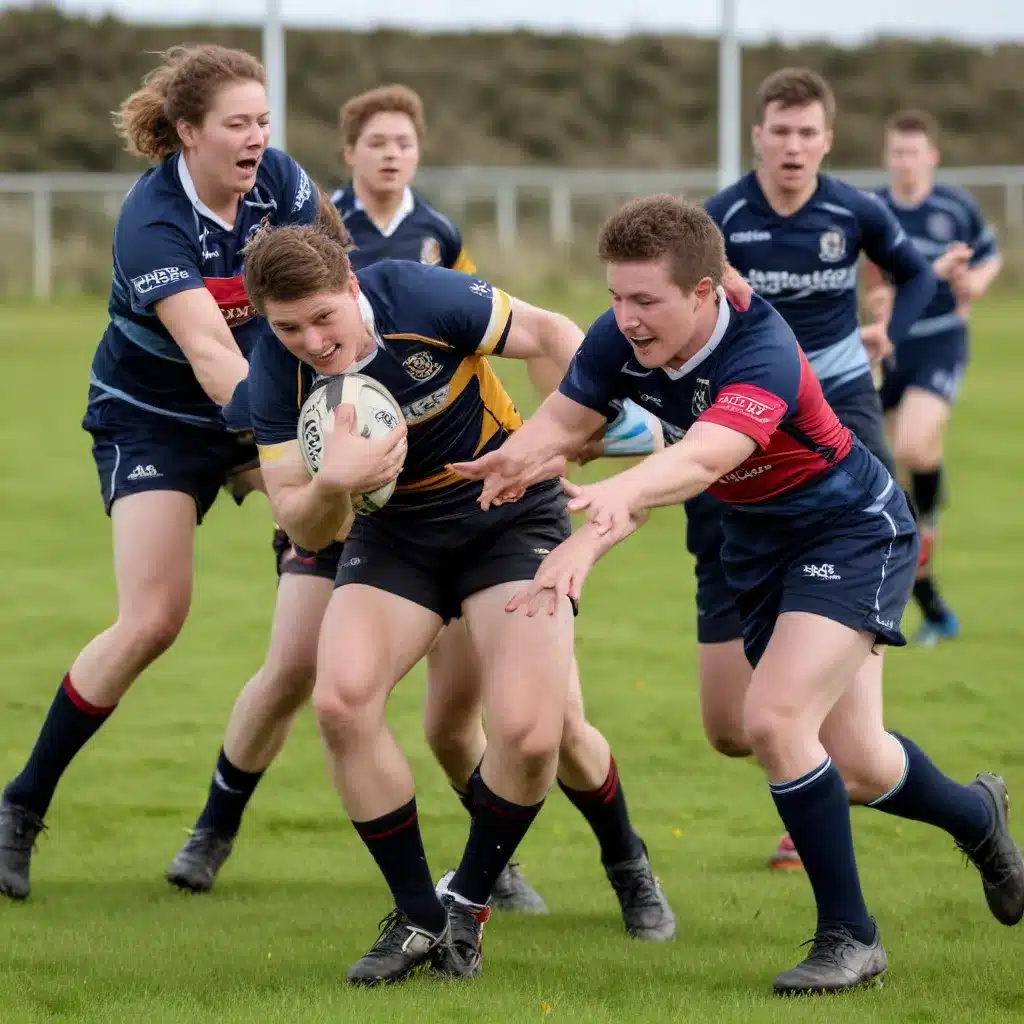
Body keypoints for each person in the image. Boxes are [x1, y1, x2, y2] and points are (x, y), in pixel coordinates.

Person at [453, 194, 1024, 995]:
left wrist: (615, 501)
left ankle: (851, 938)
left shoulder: (762, 350)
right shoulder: (623, 336)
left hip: (849, 534)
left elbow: (703, 458)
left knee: (776, 720)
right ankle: (977, 817)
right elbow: (562, 418)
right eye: (616, 297)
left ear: (703, 291)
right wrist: (513, 459)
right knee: (855, 762)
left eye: (645, 300)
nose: (626, 318)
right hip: (755, 548)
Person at [169, 86, 675, 940]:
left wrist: (558, 437)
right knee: (346, 705)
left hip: (503, 514)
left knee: (546, 729)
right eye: (288, 329)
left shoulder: (421, 294)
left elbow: (555, 334)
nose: (312, 342)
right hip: (396, 535)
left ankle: (627, 862)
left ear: (350, 284)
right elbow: (303, 525)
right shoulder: (276, 373)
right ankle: (424, 916)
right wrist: (336, 482)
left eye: (322, 319)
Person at [0, 43, 321, 902]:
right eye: (237, 124)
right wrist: (292, 445)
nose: (256, 138)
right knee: (152, 619)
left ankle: (215, 828)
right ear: (188, 132)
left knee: (309, 636)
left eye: (263, 121)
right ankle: (20, 807)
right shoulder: (152, 219)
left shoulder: (283, 185)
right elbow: (212, 355)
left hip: (262, 409)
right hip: (155, 420)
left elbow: (333, 292)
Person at [701, 66, 941, 871]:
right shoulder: (723, 217)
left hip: (839, 398)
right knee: (730, 723)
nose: (794, 145)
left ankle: (837, 755)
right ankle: (807, 736)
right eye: (781, 131)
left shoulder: (853, 210)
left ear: (827, 140)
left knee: (866, 533)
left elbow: (915, 274)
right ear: (758, 136)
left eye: (808, 132)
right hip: (746, 413)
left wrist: (891, 333)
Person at [864, 109, 1002, 646]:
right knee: (883, 475)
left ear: (932, 158)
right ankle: (934, 608)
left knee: (912, 445)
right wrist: (882, 297)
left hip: (942, 339)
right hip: (890, 344)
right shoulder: (874, 209)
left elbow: (989, 257)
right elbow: (872, 282)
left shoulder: (954, 207)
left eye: (913, 153)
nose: (904, 162)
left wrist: (977, 282)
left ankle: (926, 523)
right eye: (896, 152)